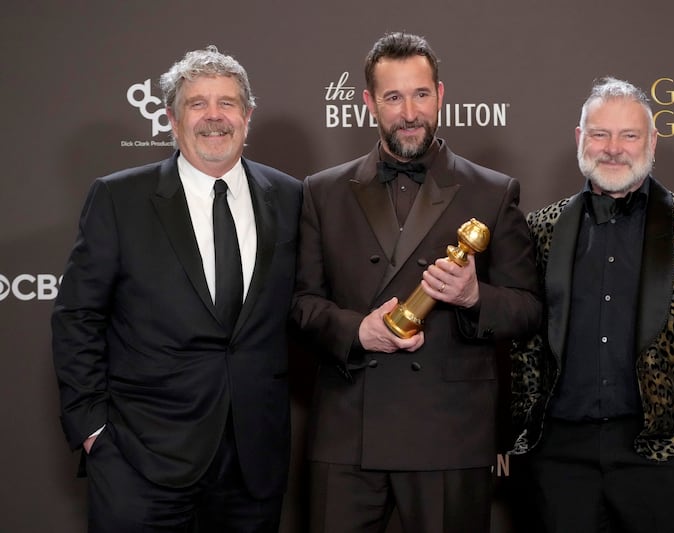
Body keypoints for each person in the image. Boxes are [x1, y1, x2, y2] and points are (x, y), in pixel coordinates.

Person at [291, 32, 542, 533]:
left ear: (441, 95)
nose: (410, 111)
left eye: (421, 94)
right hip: (348, 434)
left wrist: (474, 297)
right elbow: (301, 305)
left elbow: (529, 309)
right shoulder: (322, 191)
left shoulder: (492, 192)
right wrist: (358, 331)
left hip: (448, 434)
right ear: (368, 103)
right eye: (393, 97)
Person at [52, 45, 302, 532]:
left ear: (248, 117)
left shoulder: (291, 197)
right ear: (170, 117)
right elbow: (77, 316)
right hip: (140, 459)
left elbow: (307, 304)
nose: (215, 117)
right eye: (197, 103)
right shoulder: (119, 197)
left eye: (228, 103)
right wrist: (92, 429)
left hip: (253, 462)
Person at [508, 76, 674, 532]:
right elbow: (524, 341)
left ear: (652, 142)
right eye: (600, 133)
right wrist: (527, 435)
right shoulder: (541, 227)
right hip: (559, 461)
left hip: (660, 458)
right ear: (581, 139)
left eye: (629, 135)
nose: (613, 148)